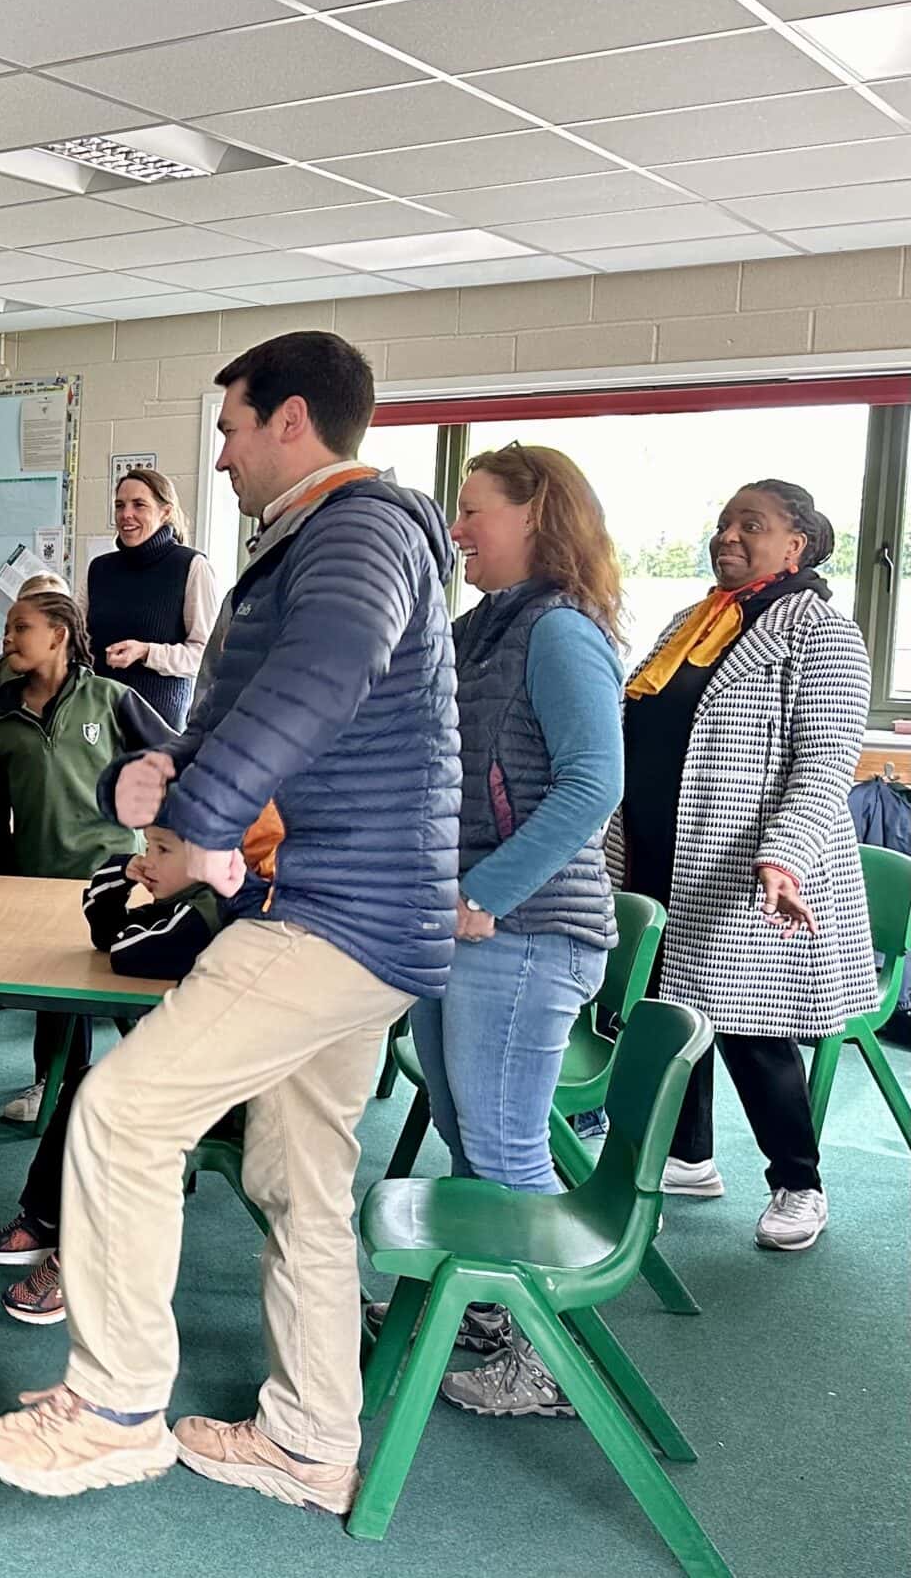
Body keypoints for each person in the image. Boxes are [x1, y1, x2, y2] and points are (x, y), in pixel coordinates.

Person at [0, 330, 458, 1517]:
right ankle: (307, 1437)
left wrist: (197, 817)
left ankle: (119, 1405)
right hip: (360, 913)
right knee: (298, 1181)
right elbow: (286, 704)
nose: (223, 453)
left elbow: (326, 673)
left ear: (292, 420)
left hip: (337, 917)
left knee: (125, 1114)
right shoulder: (323, 536)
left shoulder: (359, 527)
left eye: (232, 426)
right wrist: (173, 770)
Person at [390, 445, 625, 1418]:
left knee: (502, 1141)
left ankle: (549, 1360)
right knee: (463, 1129)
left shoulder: (561, 631)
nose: (455, 528)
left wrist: (482, 890)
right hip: (473, 925)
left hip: (525, 928)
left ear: (535, 513)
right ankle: (489, 1300)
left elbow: (591, 784)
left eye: (472, 509)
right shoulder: (484, 626)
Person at [612, 478, 873, 1257]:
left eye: (750, 524)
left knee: (752, 1030)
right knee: (667, 1005)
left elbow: (825, 763)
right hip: (663, 854)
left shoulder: (822, 632)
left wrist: (784, 854)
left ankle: (800, 1181)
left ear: (796, 544)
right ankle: (690, 1155)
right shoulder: (691, 622)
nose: (728, 535)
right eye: (723, 522)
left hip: (754, 868)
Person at [0, 826, 230, 1326]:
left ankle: (84, 1264)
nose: (148, 859)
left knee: (109, 1107)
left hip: (225, 1088)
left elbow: (131, 951)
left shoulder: (205, 912)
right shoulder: (186, 899)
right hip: (194, 1061)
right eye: (147, 847)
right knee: (88, 1082)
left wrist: (129, 918)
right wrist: (121, 871)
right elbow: (109, 934)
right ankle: (45, 1220)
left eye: (162, 851)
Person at [0, 590, 173, 1129]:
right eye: (8, 629)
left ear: (58, 635)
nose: (8, 639)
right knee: (54, 987)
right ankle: (56, 1084)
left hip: (111, 875)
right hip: (39, 877)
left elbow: (172, 760)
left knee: (118, 988)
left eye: (21, 627)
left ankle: (155, 1089)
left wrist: (164, 845)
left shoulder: (109, 698)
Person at [87, 467, 219, 728]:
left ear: (165, 512)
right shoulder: (99, 568)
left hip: (156, 729)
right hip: (96, 722)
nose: (126, 515)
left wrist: (147, 652)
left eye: (139, 505)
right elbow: (79, 639)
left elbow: (205, 657)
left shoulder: (191, 566)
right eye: (120, 505)